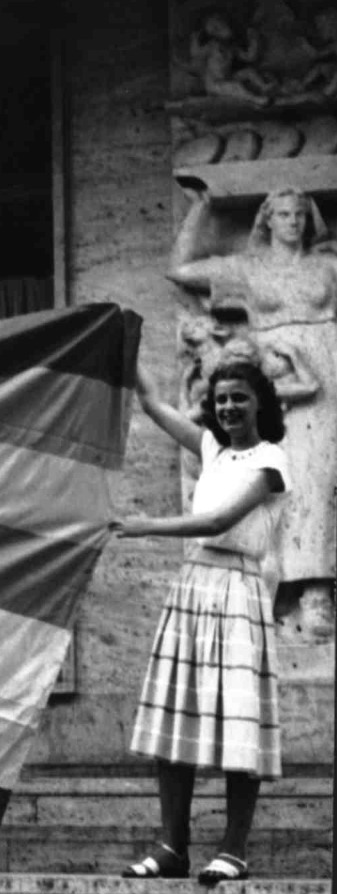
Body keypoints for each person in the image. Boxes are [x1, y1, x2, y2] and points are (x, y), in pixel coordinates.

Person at [111, 358, 289, 886]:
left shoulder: (272, 460)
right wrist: (130, 349)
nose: (228, 407)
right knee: (176, 717)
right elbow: (152, 403)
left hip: (238, 591)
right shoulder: (212, 449)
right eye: (221, 400)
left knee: (238, 721)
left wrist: (143, 527)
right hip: (193, 587)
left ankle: (233, 849)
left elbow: (216, 522)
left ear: (260, 403)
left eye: (239, 398)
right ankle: (173, 846)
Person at [169, 185, 335, 639]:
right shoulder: (248, 268)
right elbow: (181, 269)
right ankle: (274, 580)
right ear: (267, 220)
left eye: (300, 214)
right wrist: (201, 209)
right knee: (270, 477)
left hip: (326, 374)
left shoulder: (328, 266)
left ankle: (317, 589)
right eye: (282, 214)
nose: (292, 222)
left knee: (319, 481)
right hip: (272, 375)